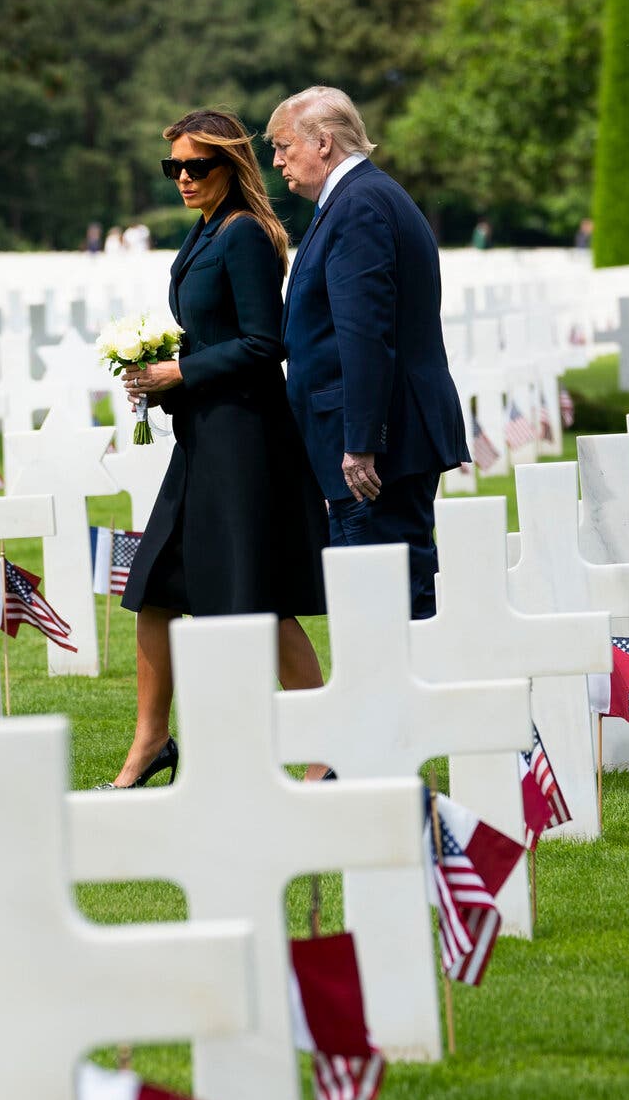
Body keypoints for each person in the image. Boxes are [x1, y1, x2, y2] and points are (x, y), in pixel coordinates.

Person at [106, 107, 332, 790]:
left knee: (257, 597)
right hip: (204, 433)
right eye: (172, 166)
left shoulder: (245, 236)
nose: (182, 177)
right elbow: (213, 332)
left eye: (195, 166)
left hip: (245, 439)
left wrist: (180, 371)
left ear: (230, 166)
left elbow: (269, 343)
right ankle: (150, 741)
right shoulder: (204, 231)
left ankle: (326, 750)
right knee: (154, 586)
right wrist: (159, 369)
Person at [268, 85, 469, 620]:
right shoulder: (365, 197)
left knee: (385, 608)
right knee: (386, 600)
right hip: (381, 438)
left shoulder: (357, 206)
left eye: (285, 145)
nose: (276, 160)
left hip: (374, 450)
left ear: (324, 143)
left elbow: (365, 334)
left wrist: (361, 442)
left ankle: (407, 706)